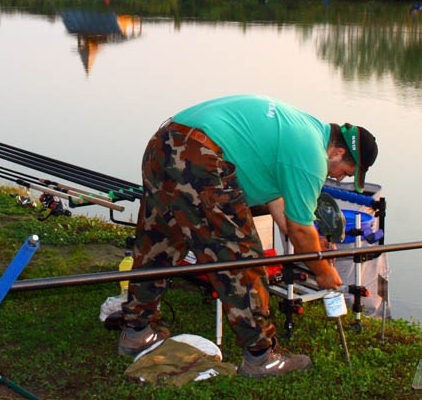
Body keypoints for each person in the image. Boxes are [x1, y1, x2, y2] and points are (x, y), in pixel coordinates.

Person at [118, 94, 378, 377]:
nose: (338, 178)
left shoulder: (304, 129)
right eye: (344, 172)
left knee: (160, 242)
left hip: (165, 142)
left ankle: (137, 331)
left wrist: (306, 241)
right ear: (338, 153)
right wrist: (322, 270)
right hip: (201, 158)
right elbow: (301, 229)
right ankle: (261, 356)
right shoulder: (312, 156)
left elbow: (285, 213)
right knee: (241, 260)